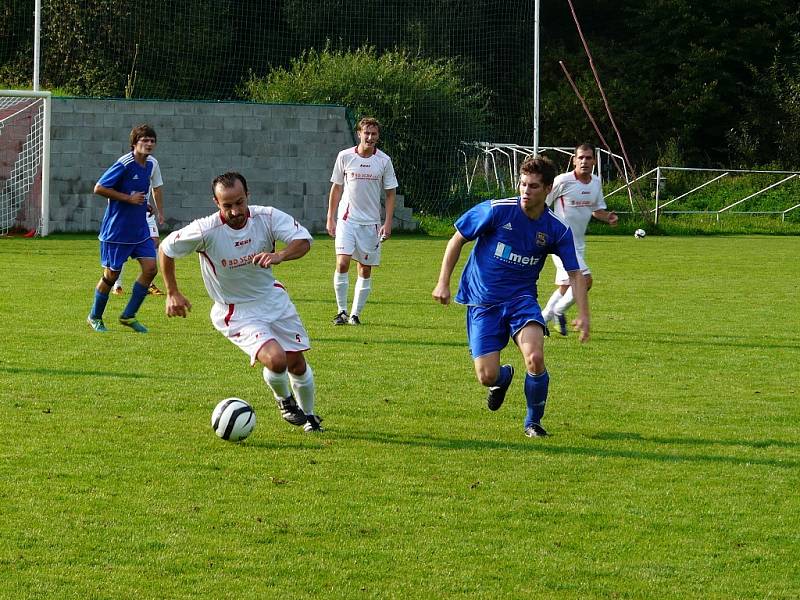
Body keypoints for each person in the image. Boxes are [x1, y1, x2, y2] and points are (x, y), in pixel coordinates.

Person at [432, 156, 589, 438]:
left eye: (533, 186)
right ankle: (502, 378)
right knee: (486, 376)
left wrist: (584, 315)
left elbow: (575, 273)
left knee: (535, 357)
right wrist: (443, 282)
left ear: (548, 189)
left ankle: (533, 422)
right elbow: (457, 238)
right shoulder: (496, 211)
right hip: (484, 301)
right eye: (523, 184)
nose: (526, 191)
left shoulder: (556, 229)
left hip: (521, 301)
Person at [158, 172, 322, 432]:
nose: (235, 210)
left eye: (240, 202)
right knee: (277, 360)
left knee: (297, 363)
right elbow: (166, 248)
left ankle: (311, 418)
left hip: (272, 298)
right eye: (228, 205)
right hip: (235, 310)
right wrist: (172, 292)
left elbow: (303, 242)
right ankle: (284, 401)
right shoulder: (206, 229)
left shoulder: (266, 217)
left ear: (248, 196)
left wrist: (280, 255)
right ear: (216, 203)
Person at [86, 124, 160, 333]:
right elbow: (99, 188)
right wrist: (128, 199)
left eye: (152, 141)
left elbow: (137, 192)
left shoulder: (150, 165)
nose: (149, 144)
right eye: (144, 140)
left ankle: (128, 316)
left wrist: (143, 203)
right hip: (117, 233)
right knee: (110, 277)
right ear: (135, 143)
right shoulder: (124, 163)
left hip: (138, 231)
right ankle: (94, 316)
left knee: (151, 269)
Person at [327, 116, 398, 325]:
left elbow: (391, 194)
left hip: (371, 223)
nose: (369, 137)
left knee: (365, 269)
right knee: (342, 262)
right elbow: (337, 187)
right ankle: (341, 311)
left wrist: (387, 222)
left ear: (378, 136)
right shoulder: (345, 156)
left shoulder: (384, 161)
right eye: (366, 133)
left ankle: (355, 315)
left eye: (373, 133)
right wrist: (330, 218)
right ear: (359, 134)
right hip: (347, 219)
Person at [541, 144, 618, 336]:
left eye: (588, 158)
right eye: (581, 158)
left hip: (579, 244)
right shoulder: (562, 181)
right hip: (559, 242)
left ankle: (541, 321)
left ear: (594, 161)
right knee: (585, 280)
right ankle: (559, 311)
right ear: (574, 160)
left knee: (566, 286)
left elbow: (596, 210)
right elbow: (542, 203)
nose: (584, 161)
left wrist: (607, 217)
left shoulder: (596, 182)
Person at [112, 181, 166, 297]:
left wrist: (160, 212)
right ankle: (117, 285)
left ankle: (148, 284)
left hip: (145, 210)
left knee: (154, 242)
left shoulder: (153, 163)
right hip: (126, 211)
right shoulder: (125, 164)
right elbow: (108, 188)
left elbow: (156, 188)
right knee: (123, 246)